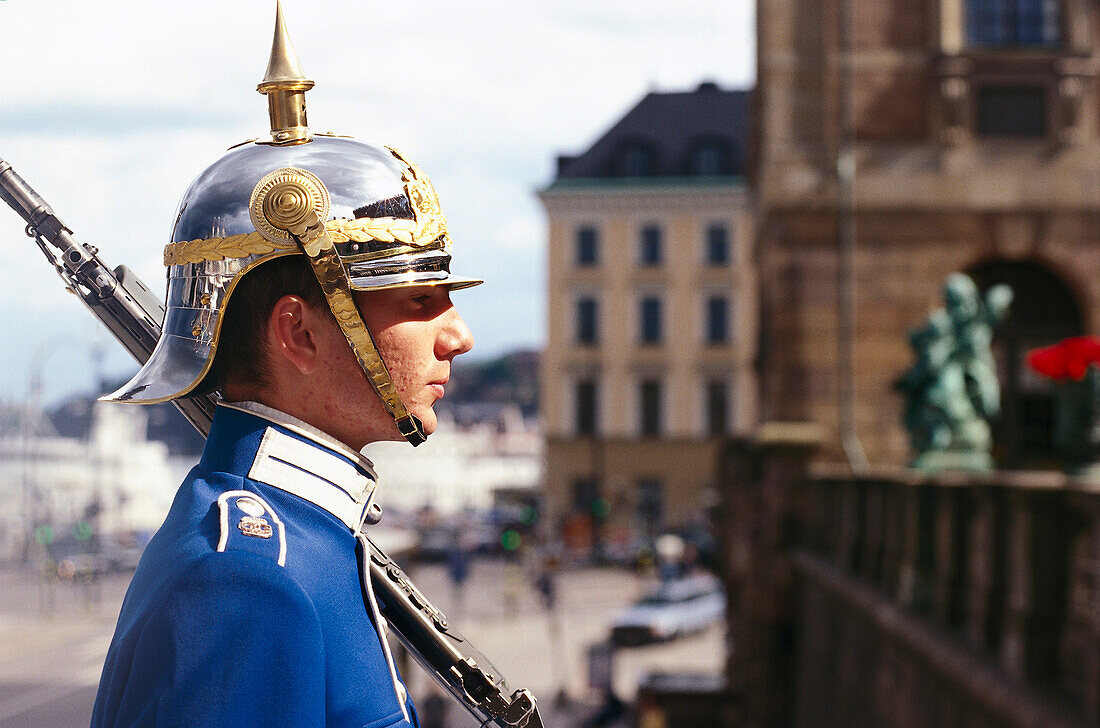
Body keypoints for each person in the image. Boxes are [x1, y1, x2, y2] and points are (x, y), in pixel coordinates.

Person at [90, 6, 477, 727]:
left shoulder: (298, 541)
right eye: (420, 299)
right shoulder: (243, 577)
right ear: (297, 332)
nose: (458, 336)